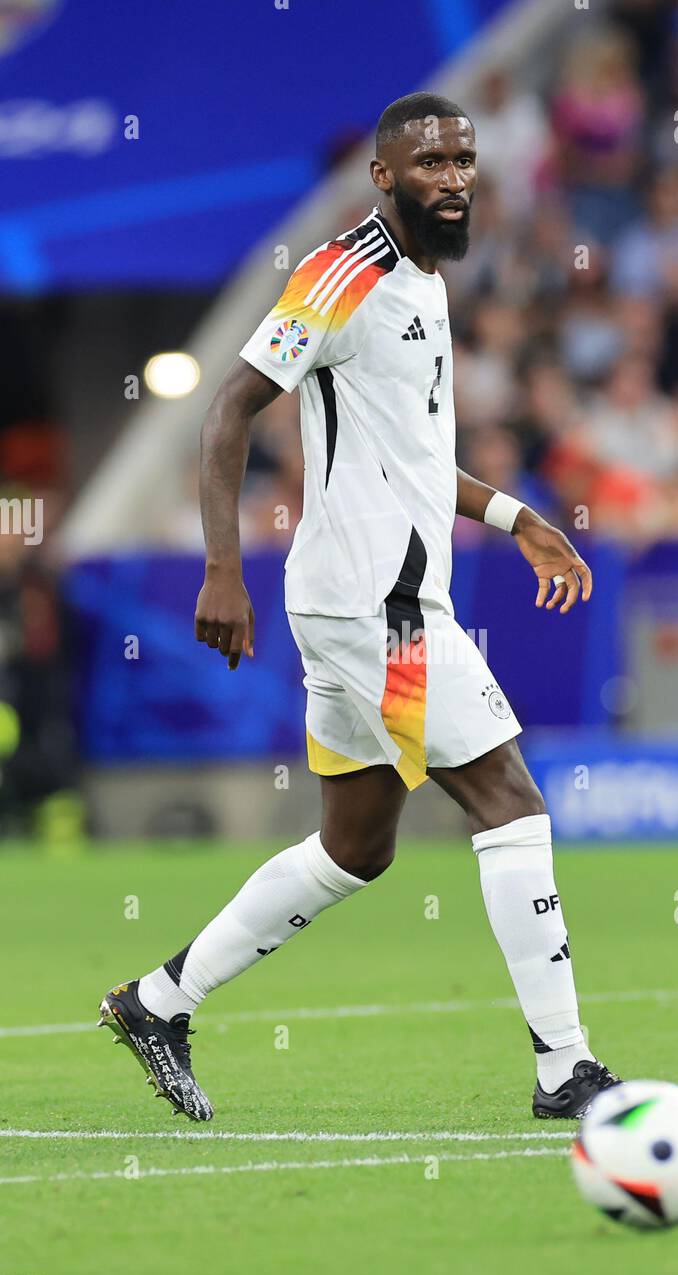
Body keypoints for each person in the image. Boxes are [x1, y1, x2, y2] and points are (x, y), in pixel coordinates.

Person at [99, 93, 620, 1123]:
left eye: (464, 158)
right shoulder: (344, 272)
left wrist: (516, 516)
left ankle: (155, 1001)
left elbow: (415, 460)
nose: (453, 176)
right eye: (429, 162)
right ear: (384, 175)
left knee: (356, 845)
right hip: (375, 608)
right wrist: (220, 569)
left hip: (365, 601)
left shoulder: (423, 279)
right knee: (508, 799)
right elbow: (227, 410)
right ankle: (565, 1067)